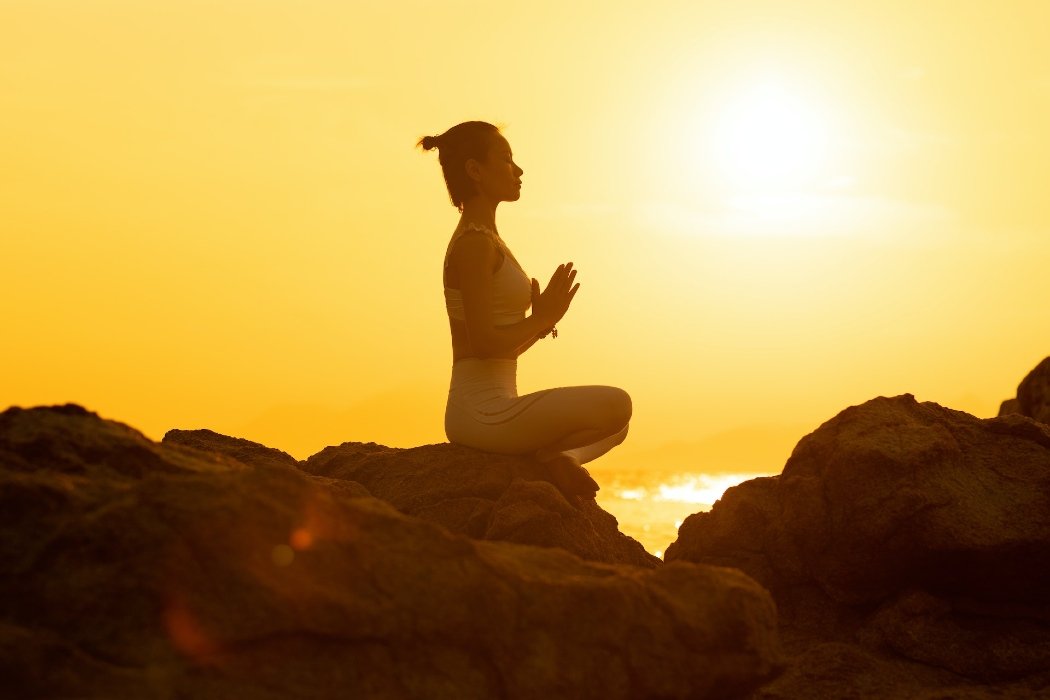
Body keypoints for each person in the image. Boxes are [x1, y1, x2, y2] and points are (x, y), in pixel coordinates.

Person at [417, 120, 632, 505]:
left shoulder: (490, 240)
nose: (518, 170)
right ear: (475, 170)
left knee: (618, 424)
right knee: (617, 404)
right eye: (506, 159)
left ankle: (560, 457)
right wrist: (542, 318)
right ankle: (551, 456)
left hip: (498, 405)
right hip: (479, 412)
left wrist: (544, 321)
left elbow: (501, 350)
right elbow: (482, 344)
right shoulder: (473, 245)